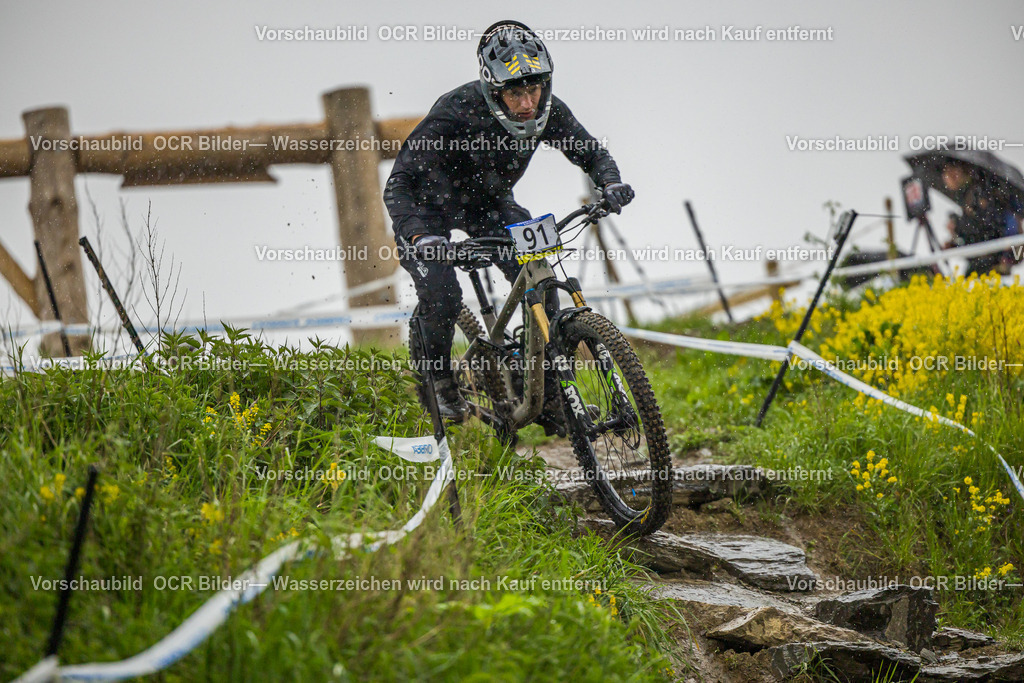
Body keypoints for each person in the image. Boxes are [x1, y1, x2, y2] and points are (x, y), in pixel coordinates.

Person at [384, 20, 634, 429]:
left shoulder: (548, 109)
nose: (526, 103)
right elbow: (400, 182)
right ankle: (440, 382)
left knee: (540, 274)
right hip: (428, 209)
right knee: (443, 293)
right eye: (515, 92)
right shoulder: (456, 111)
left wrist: (610, 183)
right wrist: (418, 235)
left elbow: (591, 153)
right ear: (493, 89)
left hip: (489, 205)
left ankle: (547, 392)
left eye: (533, 89)